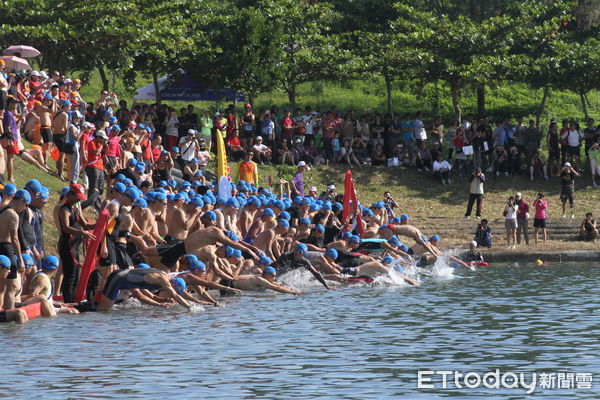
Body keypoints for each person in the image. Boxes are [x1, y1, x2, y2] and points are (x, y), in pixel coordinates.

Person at [57, 184, 96, 302]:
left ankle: (74, 300)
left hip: (75, 246)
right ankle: (68, 301)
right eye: (77, 197)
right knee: (70, 275)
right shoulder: (64, 210)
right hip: (67, 246)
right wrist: (82, 233)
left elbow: (85, 224)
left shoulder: (75, 209)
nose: (79, 200)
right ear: (70, 195)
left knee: (76, 274)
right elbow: (66, 228)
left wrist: (98, 224)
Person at [98, 266, 192, 311]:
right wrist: (190, 307)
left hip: (125, 280)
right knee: (105, 310)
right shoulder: (163, 279)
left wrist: (159, 304)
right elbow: (174, 295)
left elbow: (141, 296)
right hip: (118, 278)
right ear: (173, 284)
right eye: (173, 290)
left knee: (108, 309)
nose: (169, 293)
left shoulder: (164, 275)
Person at [219, 266, 303, 295]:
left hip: (229, 282)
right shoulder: (260, 280)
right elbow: (275, 288)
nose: (275, 278)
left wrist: (279, 285)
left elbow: (273, 284)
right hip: (228, 284)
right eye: (273, 276)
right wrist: (294, 292)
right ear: (267, 275)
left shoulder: (260, 277)